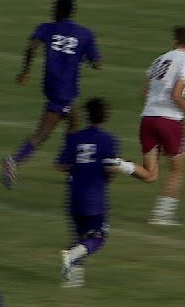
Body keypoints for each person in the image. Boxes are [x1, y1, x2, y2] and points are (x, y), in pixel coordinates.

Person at [3, 0, 101, 189]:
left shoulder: (46, 28)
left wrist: (26, 71)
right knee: (45, 133)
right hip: (65, 90)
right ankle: (16, 161)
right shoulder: (84, 34)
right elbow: (97, 63)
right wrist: (84, 57)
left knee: (73, 122)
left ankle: (67, 166)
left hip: (54, 87)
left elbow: (32, 46)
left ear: (56, 10)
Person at [56, 97, 152, 288]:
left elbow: (60, 165)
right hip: (95, 197)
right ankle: (71, 256)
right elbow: (110, 168)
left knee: (79, 238)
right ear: (105, 117)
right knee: (98, 238)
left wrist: (78, 168)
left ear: (86, 115)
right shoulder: (108, 140)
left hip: (74, 195)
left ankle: (73, 282)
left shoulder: (74, 138)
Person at [139, 26, 185, 226]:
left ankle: (119, 164)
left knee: (150, 174)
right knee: (177, 169)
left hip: (147, 118)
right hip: (169, 121)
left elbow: (145, 91)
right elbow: (176, 94)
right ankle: (162, 216)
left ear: (174, 41)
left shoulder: (159, 59)